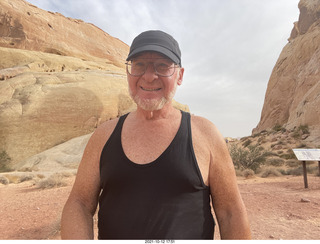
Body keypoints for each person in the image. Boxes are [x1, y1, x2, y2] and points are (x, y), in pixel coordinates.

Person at [61, 30, 251, 240]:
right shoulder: (104, 135)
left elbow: (230, 212)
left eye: (162, 66)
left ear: (179, 75)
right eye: (139, 65)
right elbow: (79, 203)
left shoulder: (205, 134)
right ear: (128, 73)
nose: (149, 76)